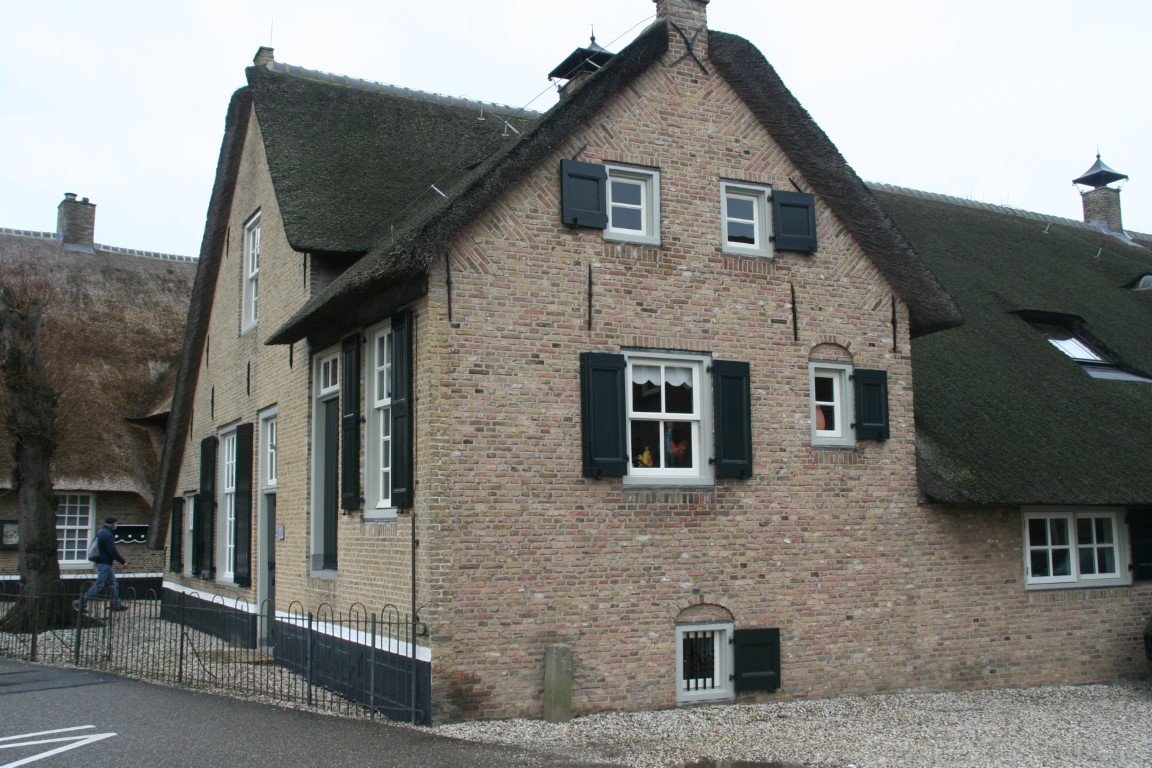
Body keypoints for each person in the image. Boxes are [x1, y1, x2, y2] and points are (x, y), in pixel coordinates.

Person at [75, 516, 128, 612]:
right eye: (116, 523)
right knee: (99, 585)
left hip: (104, 563)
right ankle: (80, 602)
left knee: (114, 584)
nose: (116, 525)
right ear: (112, 524)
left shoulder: (101, 531)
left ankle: (116, 604)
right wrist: (123, 561)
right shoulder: (107, 534)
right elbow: (112, 551)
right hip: (105, 563)